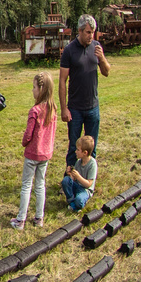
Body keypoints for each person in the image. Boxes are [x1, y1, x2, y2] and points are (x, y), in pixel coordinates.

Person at [59, 15, 112, 172]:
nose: (91, 36)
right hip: (75, 108)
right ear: (80, 31)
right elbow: (62, 81)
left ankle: (89, 180)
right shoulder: (69, 51)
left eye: (93, 32)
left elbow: (106, 72)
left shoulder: (96, 47)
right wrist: (64, 108)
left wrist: (101, 58)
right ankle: (69, 178)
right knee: (74, 148)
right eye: (88, 32)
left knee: (91, 148)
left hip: (93, 107)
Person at [13, 72, 57, 229]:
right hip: (45, 155)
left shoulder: (35, 111)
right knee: (40, 185)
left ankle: (20, 220)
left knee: (26, 185)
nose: (32, 90)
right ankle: (39, 218)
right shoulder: (53, 109)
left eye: (34, 87)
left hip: (32, 154)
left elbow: (28, 134)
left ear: (41, 89)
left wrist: (24, 142)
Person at [61, 134, 98, 212]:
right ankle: (71, 201)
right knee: (66, 180)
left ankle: (75, 203)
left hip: (85, 190)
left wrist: (78, 177)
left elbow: (88, 184)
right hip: (77, 186)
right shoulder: (78, 162)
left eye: (78, 150)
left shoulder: (92, 164)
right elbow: (73, 180)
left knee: (79, 200)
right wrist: (70, 174)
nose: (75, 151)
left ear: (85, 152)